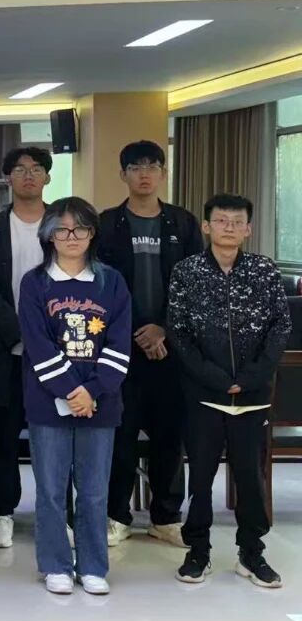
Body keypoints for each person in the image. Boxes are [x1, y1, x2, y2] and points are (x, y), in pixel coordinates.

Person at [168, 194, 291, 589]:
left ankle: (251, 553)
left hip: (252, 397)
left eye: (237, 222)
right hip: (204, 394)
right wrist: (217, 378)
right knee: (200, 477)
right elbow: (178, 332)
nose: (229, 228)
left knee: (250, 478)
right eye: (221, 221)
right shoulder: (187, 272)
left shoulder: (263, 271)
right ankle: (198, 551)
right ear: (207, 226)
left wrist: (252, 377)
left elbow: (280, 327)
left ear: (248, 229)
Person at [19, 197, 131, 596]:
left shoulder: (111, 282)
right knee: (51, 491)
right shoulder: (35, 283)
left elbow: (119, 344)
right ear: (49, 235)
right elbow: (37, 344)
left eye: (80, 228)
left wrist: (93, 391)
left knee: (95, 491)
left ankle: (93, 566)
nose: (71, 236)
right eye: (62, 229)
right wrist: (70, 390)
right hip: (47, 402)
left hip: (101, 403)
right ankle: (55, 565)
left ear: (92, 234)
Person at [96, 141, 204, 548]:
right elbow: (102, 286)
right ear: (122, 174)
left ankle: (166, 516)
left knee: (169, 436)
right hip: (121, 348)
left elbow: (195, 285)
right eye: (136, 166)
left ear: (163, 172)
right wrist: (141, 329)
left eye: (152, 166)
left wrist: (163, 329)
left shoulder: (183, 223)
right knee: (119, 435)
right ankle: (116, 515)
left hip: (172, 350)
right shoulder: (107, 224)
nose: (144, 173)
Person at [0, 147, 52, 548]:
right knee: (2, 437)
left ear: (47, 177)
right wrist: (22, 333)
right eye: (20, 170)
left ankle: (55, 515)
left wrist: (47, 338)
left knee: (54, 439)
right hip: (6, 351)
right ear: (8, 178)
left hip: (58, 352)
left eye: (36, 169)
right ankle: (2, 513)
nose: (28, 175)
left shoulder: (64, 224)